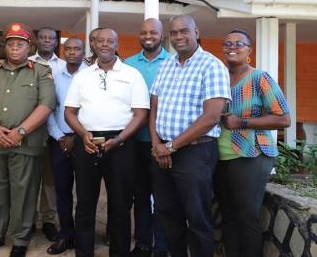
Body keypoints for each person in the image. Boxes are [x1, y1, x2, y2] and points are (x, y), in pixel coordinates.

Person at [150, 15, 231, 257]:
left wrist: (171, 147)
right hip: (162, 151)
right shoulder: (166, 64)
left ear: (196, 32)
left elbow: (211, 117)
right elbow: (154, 107)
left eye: (184, 31)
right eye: (173, 33)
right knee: (167, 215)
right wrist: (157, 145)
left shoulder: (212, 65)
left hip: (195, 153)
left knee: (197, 219)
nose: (178, 37)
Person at [64, 28, 149, 257]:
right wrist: (82, 135)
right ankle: (84, 252)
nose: (104, 44)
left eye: (110, 41)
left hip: (122, 142)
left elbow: (141, 114)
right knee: (84, 203)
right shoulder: (82, 76)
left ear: (116, 43)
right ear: (93, 44)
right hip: (87, 140)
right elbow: (70, 112)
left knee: (120, 204)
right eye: (100, 40)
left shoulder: (132, 74)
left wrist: (120, 138)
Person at [0, 22, 56, 257]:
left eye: (20, 44)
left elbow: (47, 104)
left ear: (28, 46)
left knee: (24, 191)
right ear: (6, 46)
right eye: (11, 43)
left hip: (26, 144)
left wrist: (20, 131)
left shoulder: (41, 72)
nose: (15, 48)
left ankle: (20, 239)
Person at [215, 29, 290, 257]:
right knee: (227, 216)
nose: (232, 47)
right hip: (219, 156)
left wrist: (242, 122)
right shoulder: (218, 78)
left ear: (249, 50)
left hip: (251, 154)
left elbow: (283, 118)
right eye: (227, 43)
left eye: (239, 43)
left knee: (247, 216)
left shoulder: (260, 78)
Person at [124, 18, 170, 257]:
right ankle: (142, 244)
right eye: (143, 32)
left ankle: (162, 246)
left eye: (153, 32)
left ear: (162, 35)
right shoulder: (128, 65)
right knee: (140, 195)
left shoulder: (173, 63)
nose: (148, 36)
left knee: (163, 197)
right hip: (134, 140)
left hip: (164, 143)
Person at [45, 37, 88, 255]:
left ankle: (82, 237)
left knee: (84, 191)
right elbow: (49, 107)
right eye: (68, 49)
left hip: (83, 140)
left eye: (77, 49)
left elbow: (93, 110)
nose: (72, 52)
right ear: (63, 51)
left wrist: (77, 137)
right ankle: (65, 234)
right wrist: (60, 137)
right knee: (62, 191)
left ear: (83, 51)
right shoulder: (54, 76)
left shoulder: (91, 74)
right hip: (59, 140)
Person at [28, 27, 63, 241]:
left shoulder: (63, 65)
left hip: (55, 130)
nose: (47, 41)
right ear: (36, 41)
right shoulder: (27, 61)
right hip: (31, 129)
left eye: (51, 38)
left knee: (51, 179)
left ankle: (49, 220)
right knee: (30, 177)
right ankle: (29, 219)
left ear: (56, 41)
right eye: (43, 37)